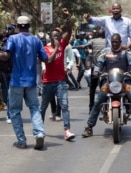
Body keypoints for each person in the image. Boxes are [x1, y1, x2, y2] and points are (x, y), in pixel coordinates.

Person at [82, 33, 131, 137]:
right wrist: (96, 71)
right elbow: (99, 63)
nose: (114, 44)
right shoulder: (105, 52)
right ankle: (89, 127)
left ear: (120, 42)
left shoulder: (126, 52)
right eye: (113, 42)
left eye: (116, 42)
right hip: (108, 81)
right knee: (98, 101)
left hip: (125, 81)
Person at [0, 16, 51, 150]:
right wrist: (57, 48)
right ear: (29, 26)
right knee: (34, 108)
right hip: (31, 81)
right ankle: (39, 133)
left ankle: (21, 140)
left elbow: (6, 56)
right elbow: (46, 59)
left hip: (16, 81)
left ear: (17, 26)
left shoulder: (13, 39)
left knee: (15, 111)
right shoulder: (36, 40)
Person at [40, 8, 76, 141]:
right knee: (43, 107)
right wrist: (55, 48)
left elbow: (69, 30)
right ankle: (39, 130)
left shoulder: (63, 44)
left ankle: (67, 130)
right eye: (54, 36)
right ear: (50, 37)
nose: (56, 38)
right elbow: (48, 61)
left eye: (58, 36)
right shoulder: (45, 49)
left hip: (60, 81)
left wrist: (67, 19)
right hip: (48, 82)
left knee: (65, 105)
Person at [84, 28, 105, 113]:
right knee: (104, 87)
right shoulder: (107, 41)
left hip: (95, 66)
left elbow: (86, 46)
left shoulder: (93, 41)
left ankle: (91, 107)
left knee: (92, 88)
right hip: (105, 67)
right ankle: (104, 106)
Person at [0, 24, 16, 124]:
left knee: (10, 93)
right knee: (6, 93)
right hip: (4, 70)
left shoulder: (16, 41)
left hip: (14, 70)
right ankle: (8, 110)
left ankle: (10, 114)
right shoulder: (3, 43)